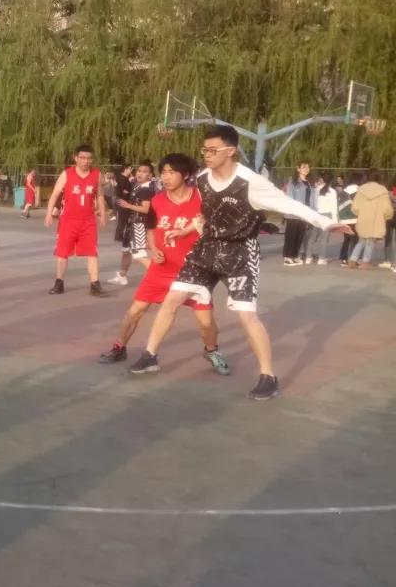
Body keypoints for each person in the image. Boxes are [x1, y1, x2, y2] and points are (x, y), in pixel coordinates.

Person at [129, 124, 351, 400]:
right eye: (204, 150)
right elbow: (206, 215)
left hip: (240, 253)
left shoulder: (250, 182)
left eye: (213, 150)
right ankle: (150, 355)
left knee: (246, 316)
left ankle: (268, 377)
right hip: (207, 248)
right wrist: (185, 230)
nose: (207, 155)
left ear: (231, 151)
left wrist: (326, 223)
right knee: (172, 299)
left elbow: (289, 204)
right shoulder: (202, 179)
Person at [98, 153, 229, 375]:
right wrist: (153, 247)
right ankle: (119, 347)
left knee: (205, 322)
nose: (166, 177)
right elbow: (151, 227)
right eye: (163, 172)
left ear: (185, 175)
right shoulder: (158, 201)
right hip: (161, 269)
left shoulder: (202, 198)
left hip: (194, 272)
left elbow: (215, 225)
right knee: (135, 310)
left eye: (171, 172)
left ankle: (212, 351)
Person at [44, 145, 108, 296]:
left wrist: (103, 213)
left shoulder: (97, 174)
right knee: (62, 253)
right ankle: (59, 283)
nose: (86, 161)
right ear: (76, 158)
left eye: (89, 158)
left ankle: (95, 284)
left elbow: (99, 195)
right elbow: (55, 194)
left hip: (88, 221)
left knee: (92, 252)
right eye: (82, 158)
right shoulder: (67, 174)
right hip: (68, 221)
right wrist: (48, 214)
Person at [108, 160, 157, 285]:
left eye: (144, 172)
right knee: (126, 250)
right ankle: (122, 276)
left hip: (139, 224)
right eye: (139, 171)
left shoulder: (146, 189)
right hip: (131, 223)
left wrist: (128, 205)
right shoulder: (137, 185)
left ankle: (159, 277)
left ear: (150, 175)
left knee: (138, 253)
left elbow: (145, 209)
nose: (140, 173)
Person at [347, 169, 393, 269]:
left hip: (363, 218)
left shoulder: (361, 189)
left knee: (361, 240)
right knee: (370, 241)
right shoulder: (383, 190)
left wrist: (360, 213)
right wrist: (387, 216)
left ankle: (353, 259)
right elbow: (387, 209)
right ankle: (365, 261)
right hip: (376, 219)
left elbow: (355, 207)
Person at [282, 161, 314, 266]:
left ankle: (295, 256)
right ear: (298, 169)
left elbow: (310, 199)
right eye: (303, 167)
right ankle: (287, 257)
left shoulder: (309, 183)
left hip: (304, 214)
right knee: (291, 236)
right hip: (294, 214)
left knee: (299, 236)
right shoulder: (293, 182)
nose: (306, 169)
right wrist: (296, 209)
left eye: (308, 167)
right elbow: (290, 197)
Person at [304, 174, 339, 264]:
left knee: (312, 237)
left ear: (322, 179)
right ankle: (321, 258)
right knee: (324, 238)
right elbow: (334, 207)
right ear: (331, 181)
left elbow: (311, 204)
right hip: (327, 216)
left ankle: (308, 257)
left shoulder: (315, 190)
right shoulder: (332, 191)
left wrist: (311, 216)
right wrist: (335, 221)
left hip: (317, 214)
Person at [337, 172, 362, 266]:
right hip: (352, 217)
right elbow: (358, 204)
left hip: (343, 217)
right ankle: (353, 259)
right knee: (355, 239)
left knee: (347, 239)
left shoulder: (345, 189)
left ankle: (343, 258)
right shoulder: (356, 189)